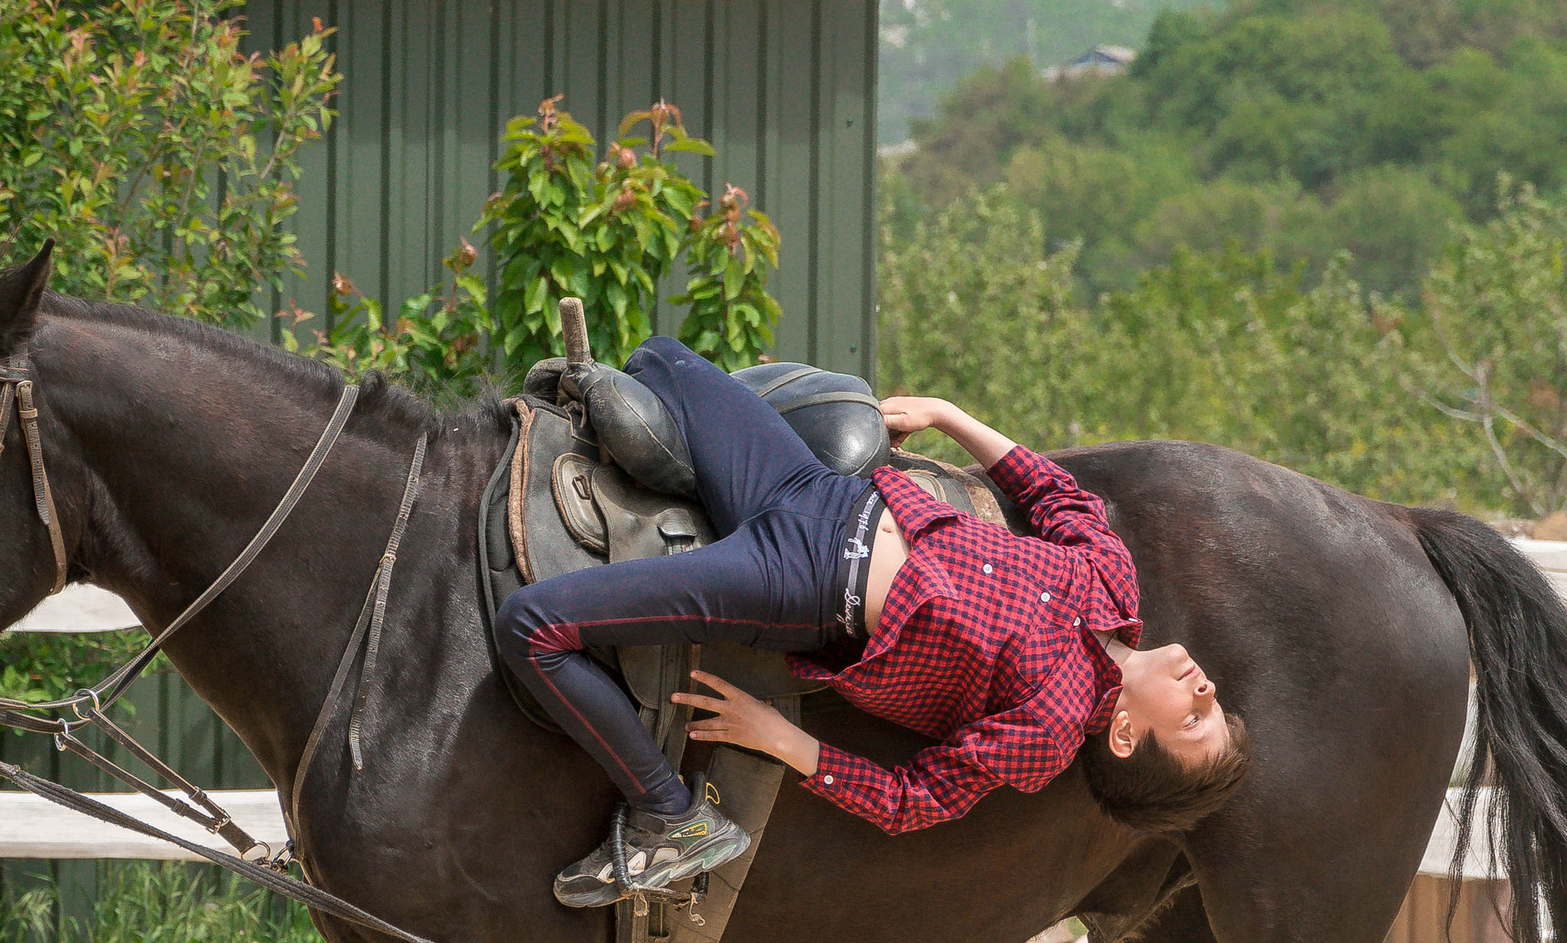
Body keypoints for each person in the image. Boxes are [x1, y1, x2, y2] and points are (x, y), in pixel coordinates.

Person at [497, 337, 1249, 909]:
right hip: (826, 497)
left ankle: (669, 817)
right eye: (1216, 705)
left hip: (807, 580)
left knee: (531, 625)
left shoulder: (1048, 728)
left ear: (1125, 736)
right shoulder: (1114, 584)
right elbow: (1055, 493)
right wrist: (945, 415)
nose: (1206, 689)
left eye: (1193, 720)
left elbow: (912, 799)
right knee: (659, 359)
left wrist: (782, 738)